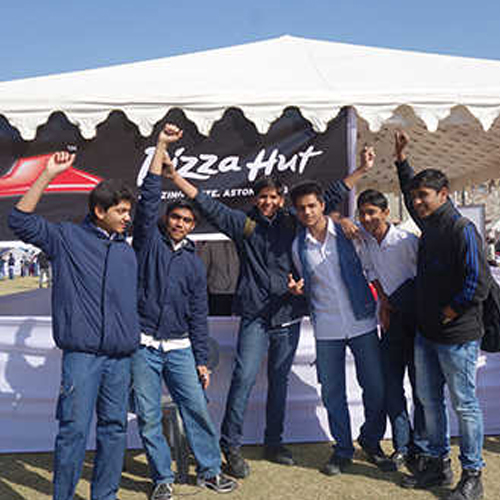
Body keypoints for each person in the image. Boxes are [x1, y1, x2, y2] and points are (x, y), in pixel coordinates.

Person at [163, 127, 371, 478]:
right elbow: (206, 203)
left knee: (279, 381)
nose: (268, 202)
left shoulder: (293, 221)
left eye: (274, 196)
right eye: (263, 197)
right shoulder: (243, 224)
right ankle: (230, 445)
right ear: (255, 199)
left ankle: (274, 442)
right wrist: (175, 178)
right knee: (243, 379)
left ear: (281, 198)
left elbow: (331, 195)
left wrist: (361, 172)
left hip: (288, 316)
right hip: (255, 316)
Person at [8, 152, 140, 500]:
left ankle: (105, 496)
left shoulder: (127, 251)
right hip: (82, 357)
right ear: (99, 211)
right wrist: (48, 174)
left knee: (114, 430)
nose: (128, 218)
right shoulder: (65, 238)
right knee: (73, 431)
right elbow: (19, 220)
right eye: (121, 211)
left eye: (129, 211)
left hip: (120, 359)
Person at [131, 123, 237, 500]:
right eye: (175, 217)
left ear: (193, 226)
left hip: (180, 349)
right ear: (167, 219)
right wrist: (160, 145)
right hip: (143, 346)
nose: (180, 223)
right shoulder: (147, 243)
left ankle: (209, 472)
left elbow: (198, 312)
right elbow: (148, 199)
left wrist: (201, 359)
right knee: (148, 417)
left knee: (197, 409)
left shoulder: (193, 262)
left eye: (187, 220)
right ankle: (162, 478)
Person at [394, 131, 489, 500]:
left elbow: (478, 282)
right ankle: (437, 465)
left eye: (425, 195)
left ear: (444, 194)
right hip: (427, 333)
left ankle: (473, 475)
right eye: (416, 196)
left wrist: (450, 312)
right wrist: (402, 161)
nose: (418, 201)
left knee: (464, 404)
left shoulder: (462, 229)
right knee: (429, 400)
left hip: (457, 335)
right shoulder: (429, 224)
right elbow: (407, 194)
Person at [287, 173, 389, 477]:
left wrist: (384, 305)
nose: (307, 212)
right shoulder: (298, 246)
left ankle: (371, 441)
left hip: (362, 321)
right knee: (332, 393)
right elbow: (306, 282)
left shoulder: (349, 233)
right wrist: (299, 290)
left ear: (322, 205)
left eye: (312, 206)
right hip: (326, 328)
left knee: (375, 387)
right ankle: (343, 449)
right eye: (301, 208)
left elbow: (370, 269)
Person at [355, 188, 426, 471]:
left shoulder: (407, 241)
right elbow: (372, 274)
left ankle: (422, 448)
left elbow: (423, 278)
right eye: (362, 213)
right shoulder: (367, 243)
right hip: (391, 321)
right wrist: (384, 303)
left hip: (418, 321)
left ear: (386, 213)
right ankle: (402, 446)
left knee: (421, 388)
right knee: (392, 387)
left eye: (372, 212)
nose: (367, 218)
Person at [197, 240, 239, 316]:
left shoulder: (239, 243)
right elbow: (202, 270)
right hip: (217, 294)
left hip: (238, 293)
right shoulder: (210, 244)